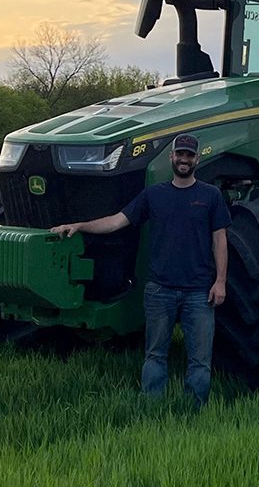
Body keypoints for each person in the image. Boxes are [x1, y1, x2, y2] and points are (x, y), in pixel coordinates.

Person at [51, 133, 231, 406]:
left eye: (189, 155)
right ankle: (151, 409)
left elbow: (220, 240)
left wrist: (220, 282)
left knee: (200, 361)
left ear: (197, 158)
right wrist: (78, 225)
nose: (184, 159)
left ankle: (195, 412)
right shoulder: (154, 195)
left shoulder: (211, 196)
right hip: (160, 290)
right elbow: (115, 222)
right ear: (171, 157)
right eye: (179, 154)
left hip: (199, 291)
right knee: (155, 355)